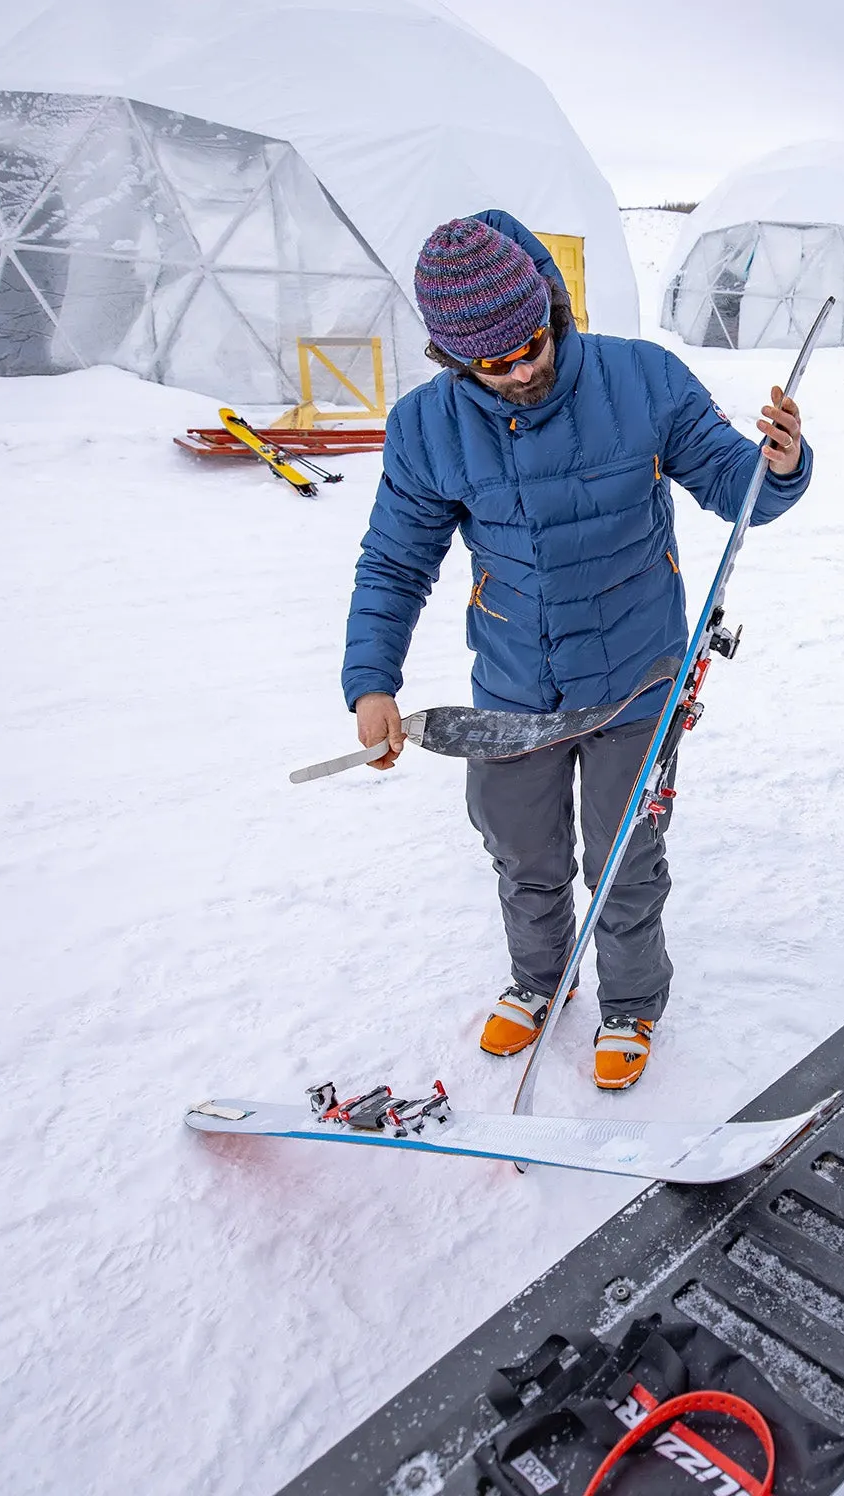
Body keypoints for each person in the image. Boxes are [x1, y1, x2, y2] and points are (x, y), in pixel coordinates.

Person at [341, 211, 813, 1089]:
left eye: (531, 344)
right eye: (493, 363)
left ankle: (630, 1001)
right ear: (452, 358)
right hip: (514, 683)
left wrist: (777, 466)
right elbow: (396, 560)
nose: (521, 370)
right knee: (522, 850)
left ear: (549, 309)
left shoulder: (643, 379)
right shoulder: (427, 427)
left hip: (637, 678)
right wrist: (372, 679)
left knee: (626, 855)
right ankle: (539, 980)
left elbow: (736, 487)